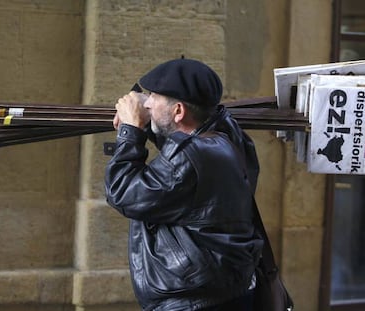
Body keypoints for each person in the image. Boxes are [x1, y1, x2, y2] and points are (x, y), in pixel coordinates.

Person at [105, 59, 263, 311]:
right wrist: (147, 120)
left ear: (178, 111)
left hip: (195, 301)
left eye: (153, 97)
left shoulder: (190, 157)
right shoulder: (230, 137)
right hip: (228, 290)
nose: (146, 103)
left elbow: (123, 192)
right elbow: (179, 146)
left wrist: (131, 130)